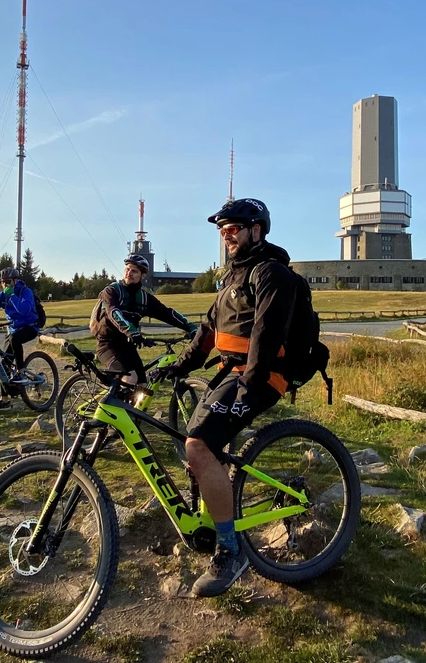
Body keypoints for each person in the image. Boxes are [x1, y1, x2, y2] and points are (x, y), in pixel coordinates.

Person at [152, 198, 296, 597]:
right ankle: (215, 509)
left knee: (197, 446)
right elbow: (207, 332)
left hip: (263, 375)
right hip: (230, 371)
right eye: (222, 230)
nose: (226, 235)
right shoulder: (232, 278)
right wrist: (178, 367)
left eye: (234, 228)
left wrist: (248, 386)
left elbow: (266, 336)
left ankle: (231, 552)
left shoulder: (271, 273)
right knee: (198, 447)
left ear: (257, 230)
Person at [90, 253, 194, 390]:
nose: (129, 273)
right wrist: (132, 331)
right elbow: (113, 312)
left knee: (142, 386)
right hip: (107, 343)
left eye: (134, 271)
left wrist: (192, 328)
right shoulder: (112, 291)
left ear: (143, 276)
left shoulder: (144, 298)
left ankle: (129, 409)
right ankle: (113, 409)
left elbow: (168, 313)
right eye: (127, 269)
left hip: (127, 345)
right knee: (130, 378)